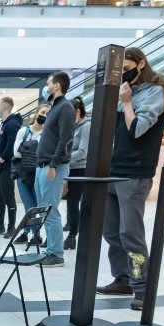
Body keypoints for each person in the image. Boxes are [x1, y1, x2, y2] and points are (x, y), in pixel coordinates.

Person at [97, 47, 164, 311]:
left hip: (134, 173)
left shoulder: (155, 91)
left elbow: (137, 130)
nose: (122, 73)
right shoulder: (123, 91)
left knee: (131, 233)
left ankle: (141, 287)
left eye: (126, 66)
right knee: (111, 231)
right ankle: (123, 278)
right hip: (111, 172)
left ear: (141, 64)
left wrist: (127, 102)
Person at [34, 71, 75, 268]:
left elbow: (65, 139)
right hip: (42, 166)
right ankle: (50, 249)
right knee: (45, 210)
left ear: (56, 86)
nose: (46, 86)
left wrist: (53, 164)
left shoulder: (65, 108)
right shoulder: (54, 107)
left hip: (52, 166)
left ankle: (56, 254)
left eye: (49, 83)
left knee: (51, 211)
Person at [11, 104, 49, 245]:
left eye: (47, 113)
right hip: (23, 173)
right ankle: (33, 234)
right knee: (29, 205)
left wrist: (27, 148)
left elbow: (42, 154)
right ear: (36, 112)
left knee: (37, 206)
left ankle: (30, 233)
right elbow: (16, 153)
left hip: (39, 172)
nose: (44, 115)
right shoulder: (24, 131)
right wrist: (35, 149)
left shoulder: (47, 133)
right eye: (42, 112)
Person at [0, 97, 22, 239]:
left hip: (5, 168)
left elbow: (12, 145)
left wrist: (1, 159)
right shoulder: (3, 124)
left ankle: (11, 227)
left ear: (4, 107)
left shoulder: (12, 124)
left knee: (8, 197)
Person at [64, 96, 91, 251]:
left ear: (77, 111)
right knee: (70, 202)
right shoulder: (72, 127)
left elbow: (82, 152)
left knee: (73, 201)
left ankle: (73, 235)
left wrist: (64, 158)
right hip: (70, 168)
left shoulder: (86, 127)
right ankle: (72, 226)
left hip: (80, 169)